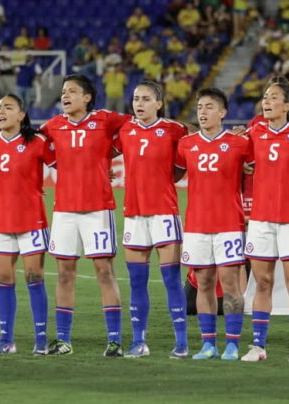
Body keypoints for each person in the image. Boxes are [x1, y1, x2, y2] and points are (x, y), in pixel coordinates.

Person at [39, 74, 130, 356]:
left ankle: (114, 340)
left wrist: (109, 156)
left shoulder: (105, 119)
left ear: (87, 97)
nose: (65, 96)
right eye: (64, 91)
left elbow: (137, 127)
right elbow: (29, 139)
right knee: (65, 274)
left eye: (72, 91)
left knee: (104, 272)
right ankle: (63, 340)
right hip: (65, 211)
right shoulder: (53, 126)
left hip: (98, 209)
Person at [241, 77, 289, 363]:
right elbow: (242, 160)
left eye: (274, 97)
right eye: (265, 97)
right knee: (262, 282)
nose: (267, 101)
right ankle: (258, 346)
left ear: (287, 105)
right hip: (261, 219)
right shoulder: (254, 131)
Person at [114, 80, 189, 358]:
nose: (139, 104)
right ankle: (138, 341)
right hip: (134, 214)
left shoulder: (174, 130)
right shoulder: (124, 129)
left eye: (146, 99)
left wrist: (160, 185)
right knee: (136, 282)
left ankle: (181, 342)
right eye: (136, 99)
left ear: (159, 103)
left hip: (164, 213)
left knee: (171, 279)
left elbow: (180, 168)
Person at [175, 88, 251, 360]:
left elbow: (260, 169)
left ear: (222, 113)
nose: (203, 112)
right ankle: (208, 344)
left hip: (229, 224)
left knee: (231, 285)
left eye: (209, 107)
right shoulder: (186, 145)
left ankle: (232, 343)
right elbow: (169, 173)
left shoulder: (240, 143)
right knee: (203, 283)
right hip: (196, 225)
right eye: (199, 107)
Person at [0, 94, 55, 355]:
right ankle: (6, 340)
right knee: (4, 279)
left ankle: (40, 338)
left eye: (8, 107)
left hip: (32, 221)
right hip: (0, 221)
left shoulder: (37, 142)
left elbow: (64, 165)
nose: (1, 111)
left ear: (21, 115)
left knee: (34, 278)